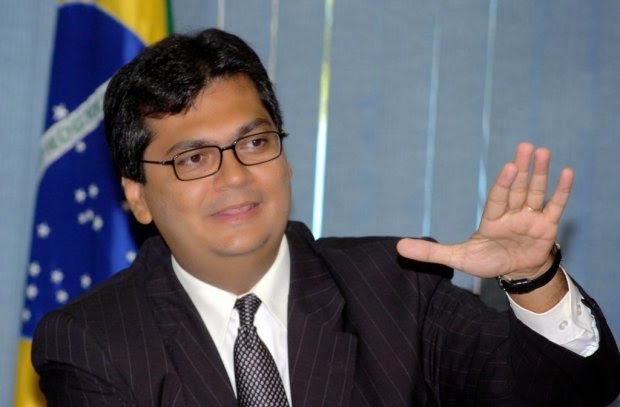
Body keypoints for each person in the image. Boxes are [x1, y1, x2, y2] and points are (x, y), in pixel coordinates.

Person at [32, 28, 620, 406]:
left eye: (254, 143)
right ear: (137, 194)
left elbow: (566, 392)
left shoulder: (396, 286)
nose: (234, 176)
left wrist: (533, 279)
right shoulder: (92, 340)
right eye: (194, 158)